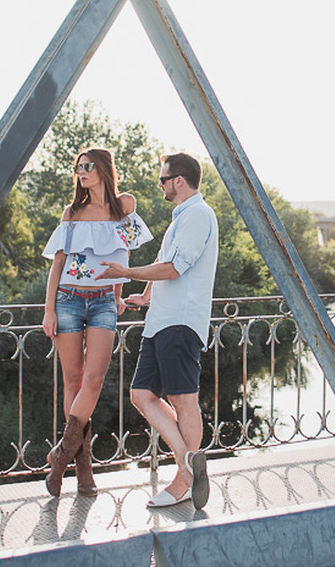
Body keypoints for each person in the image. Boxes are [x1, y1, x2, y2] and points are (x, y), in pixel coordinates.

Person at [95, 152, 218, 510]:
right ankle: (188, 460)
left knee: (183, 400)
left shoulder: (197, 215)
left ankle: (182, 482)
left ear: (179, 181)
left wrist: (127, 273)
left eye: (163, 179)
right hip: (162, 319)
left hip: (180, 321)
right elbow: (170, 267)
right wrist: (145, 296)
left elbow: (175, 269)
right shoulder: (181, 218)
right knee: (141, 393)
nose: (160, 184)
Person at [40, 146, 153, 497]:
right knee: (72, 381)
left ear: (103, 168)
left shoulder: (125, 206)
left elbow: (124, 251)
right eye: (78, 168)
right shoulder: (71, 212)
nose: (82, 172)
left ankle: (60, 457)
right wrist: (49, 310)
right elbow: (57, 265)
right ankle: (82, 465)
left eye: (88, 166)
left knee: (94, 378)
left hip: (104, 302)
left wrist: (118, 294)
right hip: (68, 300)